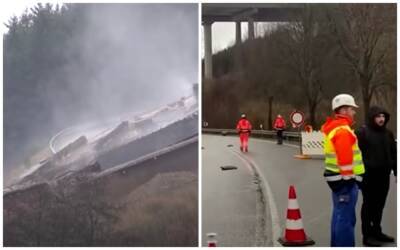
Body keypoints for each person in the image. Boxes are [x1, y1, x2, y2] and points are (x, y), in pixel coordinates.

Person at [321, 94, 365, 247]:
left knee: (339, 215)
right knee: (346, 220)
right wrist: (350, 180)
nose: (354, 112)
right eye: (352, 109)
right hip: (345, 182)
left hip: (337, 180)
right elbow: (345, 159)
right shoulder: (343, 131)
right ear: (345, 110)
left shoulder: (335, 128)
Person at [355, 106, 396, 247]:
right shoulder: (362, 132)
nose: (381, 119)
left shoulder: (388, 133)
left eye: (383, 116)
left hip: (384, 176)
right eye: (378, 116)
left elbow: (394, 154)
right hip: (368, 177)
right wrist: (359, 175)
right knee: (369, 206)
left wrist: (396, 171)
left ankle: (377, 231)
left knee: (380, 205)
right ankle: (367, 236)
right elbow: (355, 155)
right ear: (372, 117)